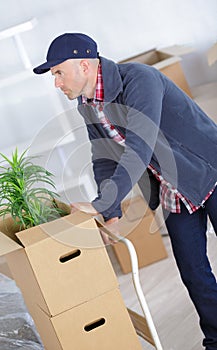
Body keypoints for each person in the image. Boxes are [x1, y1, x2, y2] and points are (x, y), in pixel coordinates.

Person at [33, 33, 217, 349]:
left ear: (84, 65)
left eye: (59, 73)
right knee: (193, 272)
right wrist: (111, 212)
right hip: (175, 189)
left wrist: (100, 202)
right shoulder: (88, 105)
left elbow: (139, 147)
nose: (56, 83)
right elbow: (103, 156)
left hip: (209, 171)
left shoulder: (140, 80)